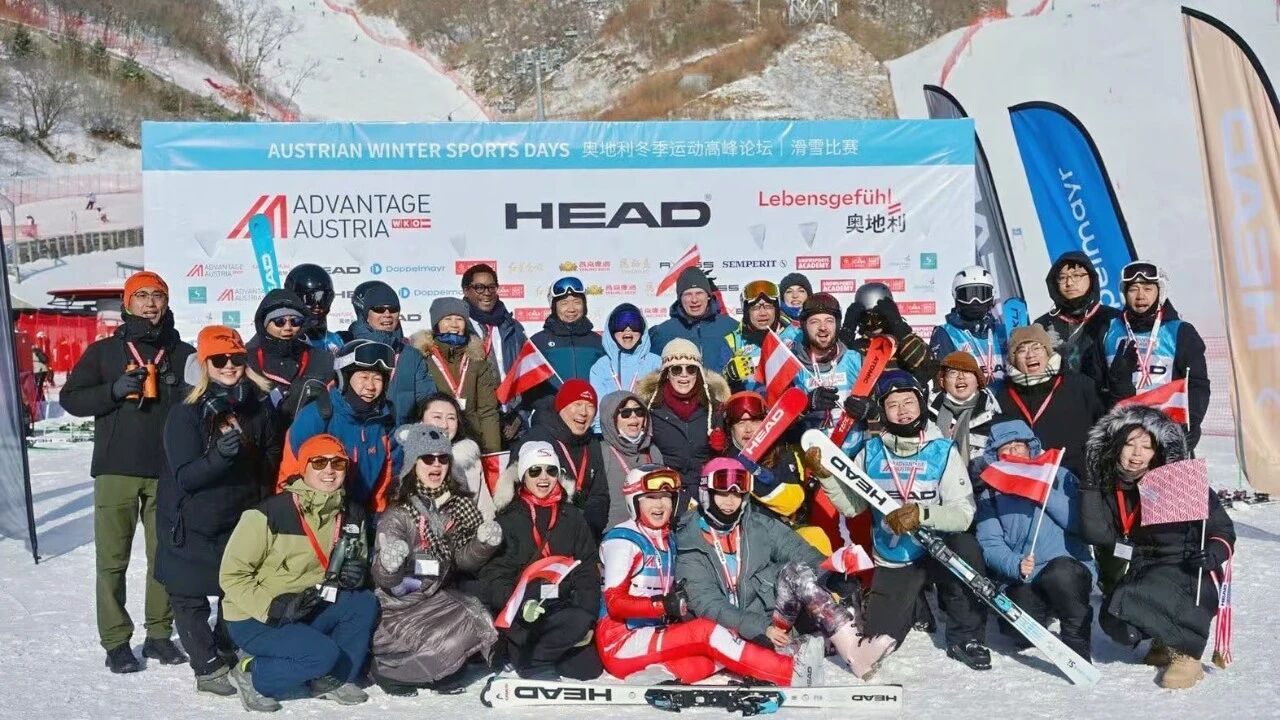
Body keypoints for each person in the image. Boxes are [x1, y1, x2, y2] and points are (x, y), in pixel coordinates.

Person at [812, 371, 991, 670]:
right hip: (895, 556)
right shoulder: (871, 452)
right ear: (883, 411)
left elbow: (963, 514)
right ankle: (914, 604)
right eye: (893, 404)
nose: (903, 410)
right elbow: (854, 507)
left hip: (938, 551)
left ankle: (966, 637)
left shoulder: (942, 450)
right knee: (879, 639)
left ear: (921, 403)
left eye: (909, 401)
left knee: (966, 547)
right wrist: (826, 477)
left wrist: (922, 514)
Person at [60, 270, 193, 673]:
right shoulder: (104, 352)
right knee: (112, 561)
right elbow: (71, 399)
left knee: (163, 558)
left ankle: (158, 635)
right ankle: (116, 641)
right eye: (142, 295)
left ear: (166, 302)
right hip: (116, 470)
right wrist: (112, 391)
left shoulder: (183, 353)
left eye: (158, 295)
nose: (150, 303)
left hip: (167, 472)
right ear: (127, 303)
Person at [675, 458, 894, 681]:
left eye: (737, 494)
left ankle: (853, 647)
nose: (730, 501)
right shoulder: (690, 542)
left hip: (770, 621)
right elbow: (708, 604)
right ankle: (797, 652)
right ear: (706, 494)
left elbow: (797, 550)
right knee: (783, 649)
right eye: (723, 493)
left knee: (795, 571)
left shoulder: (756, 524)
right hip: (730, 630)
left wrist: (831, 575)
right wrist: (761, 628)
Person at [598, 464, 818, 685]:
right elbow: (614, 603)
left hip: (655, 634)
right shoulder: (623, 540)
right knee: (707, 632)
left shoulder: (667, 538)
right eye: (651, 498)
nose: (660, 505)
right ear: (634, 500)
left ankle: (662, 674)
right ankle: (789, 672)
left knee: (724, 646)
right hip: (620, 641)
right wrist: (663, 605)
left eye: (666, 497)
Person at [157, 326, 282, 696]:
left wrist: (263, 498)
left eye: (236, 358)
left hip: (239, 515)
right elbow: (185, 476)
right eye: (219, 359)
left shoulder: (257, 406)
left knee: (236, 588)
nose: (229, 365)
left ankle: (225, 647)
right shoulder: (185, 412)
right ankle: (206, 665)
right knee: (189, 594)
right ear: (204, 364)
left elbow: (271, 455)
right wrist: (219, 457)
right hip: (190, 518)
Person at [1078, 404, 1234, 689]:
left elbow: (1222, 529)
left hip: (1190, 568)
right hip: (1144, 566)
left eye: (1146, 447)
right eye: (1129, 444)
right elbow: (1097, 534)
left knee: (1162, 589)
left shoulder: (1182, 481)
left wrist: (1215, 552)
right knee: (1116, 621)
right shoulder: (1110, 485)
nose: (1136, 454)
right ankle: (1163, 638)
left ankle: (1186, 653)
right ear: (1117, 445)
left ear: (1158, 451)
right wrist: (1089, 485)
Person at [220, 434, 378, 711]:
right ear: (304, 467)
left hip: (308, 605)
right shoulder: (269, 514)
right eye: (319, 462)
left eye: (338, 463)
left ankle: (332, 679)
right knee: (321, 654)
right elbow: (231, 576)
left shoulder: (352, 514)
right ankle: (251, 673)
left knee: (363, 602)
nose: (329, 470)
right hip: (257, 615)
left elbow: (357, 561)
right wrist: (272, 607)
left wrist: (356, 575)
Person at [369, 424, 503, 696]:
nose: (436, 465)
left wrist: (483, 544)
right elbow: (382, 577)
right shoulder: (399, 513)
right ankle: (388, 671)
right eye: (427, 458)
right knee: (448, 646)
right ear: (413, 465)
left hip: (432, 598)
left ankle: (436, 669)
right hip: (398, 607)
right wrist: (389, 564)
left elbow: (461, 560)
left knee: (477, 617)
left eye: (443, 458)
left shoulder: (453, 507)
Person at [478, 441, 603, 681]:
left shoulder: (572, 516)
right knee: (563, 634)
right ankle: (530, 657)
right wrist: (520, 604)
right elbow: (494, 576)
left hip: (562, 606)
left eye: (551, 470)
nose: (543, 478)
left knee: (588, 668)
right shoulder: (509, 519)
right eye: (535, 471)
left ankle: (541, 653)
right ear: (523, 476)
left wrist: (586, 610)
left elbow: (587, 567)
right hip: (525, 613)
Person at [972, 420, 1095, 661]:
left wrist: (1044, 494)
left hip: (1067, 568)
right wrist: (1015, 564)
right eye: (1006, 448)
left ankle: (1076, 637)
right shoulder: (991, 492)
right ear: (996, 455)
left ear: (1030, 447)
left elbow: (1080, 524)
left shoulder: (1060, 476)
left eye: (1019, 445)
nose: (1014, 452)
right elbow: (990, 543)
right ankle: (1044, 610)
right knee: (1018, 632)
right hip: (1026, 575)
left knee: (1061, 575)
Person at [1098, 261, 1210, 451]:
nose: (1140, 296)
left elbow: (1197, 385)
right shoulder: (1109, 331)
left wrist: (1189, 426)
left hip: (1167, 436)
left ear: (1160, 292)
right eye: (1133, 289)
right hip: (1122, 438)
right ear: (1124, 293)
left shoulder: (1181, 332)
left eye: (1148, 289)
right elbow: (1096, 384)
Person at [282, 340, 398, 513]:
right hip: (317, 513)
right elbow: (290, 472)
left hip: (360, 514)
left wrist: (378, 513)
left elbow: (384, 474)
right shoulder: (318, 414)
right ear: (345, 378)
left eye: (377, 378)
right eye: (364, 377)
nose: (371, 386)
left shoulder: (380, 419)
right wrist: (291, 515)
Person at [721, 391, 829, 555]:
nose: (748, 429)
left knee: (815, 537)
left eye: (755, 421)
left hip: (778, 533)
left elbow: (792, 502)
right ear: (731, 428)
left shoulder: (780, 452)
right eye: (741, 423)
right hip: (739, 539)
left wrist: (754, 475)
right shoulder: (721, 459)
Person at [998, 324, 1104, 480]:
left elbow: (1104, 427)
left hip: (1076, 480)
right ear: (1013, 359)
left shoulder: (1080, 386)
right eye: (1022, 350)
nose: (1030, 355)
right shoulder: (1003, 395)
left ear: (1048, 352)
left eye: (1037, 348)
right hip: (1025, 481)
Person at [636, 338, 731, 505]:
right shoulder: (651, 409)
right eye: (676, 369)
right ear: (666, 373)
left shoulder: (714, 408)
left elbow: (729, 455)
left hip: (705, 491)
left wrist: (723, 446)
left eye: (691, 369)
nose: (684, 375)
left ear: (698, 372)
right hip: (667, 491)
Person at [513, 379, 610, 537]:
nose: (584, 412)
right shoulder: (536, 440)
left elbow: (599, 495)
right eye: (577, 404)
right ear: (561, 406)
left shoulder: (592, 443)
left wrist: (589, 528)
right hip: (543, 533)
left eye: (590, 406)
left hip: (586, 533)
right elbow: (520, 495)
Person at [340, 280, 436, 425]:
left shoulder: (411, 355)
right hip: (359, 432)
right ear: (366, 315)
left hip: (400, 434)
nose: (387, 314)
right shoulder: (348, 348)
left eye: (393, 309)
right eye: (379, 309)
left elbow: (427, 400)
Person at [411, 297, 501, 452]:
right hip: (431, 442)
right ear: (436, 324)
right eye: (447, 319)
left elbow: (488, 411)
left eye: (459, 319)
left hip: (471, 442)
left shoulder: (477, 359)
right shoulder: (422, 357)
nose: (454, 324)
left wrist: (492, 453)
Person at [789, 293, 867, 452]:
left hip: (855, 457)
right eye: (814, 322)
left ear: (837, 325)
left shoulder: (856, 360)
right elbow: (778, 420)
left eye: (829, 321)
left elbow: (884, 407)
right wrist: (806, 404)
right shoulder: (791, 365)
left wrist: (869, 409)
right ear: (804, 326)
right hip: (809, 456)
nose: (823, 327)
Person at [462, 263, 528, 444]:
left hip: (513, 422)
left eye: (491, 287)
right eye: (479, 287)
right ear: (466, 290)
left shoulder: (513, 327)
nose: (487, 293)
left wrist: (520, 416)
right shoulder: (459, 328)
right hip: (475, 423)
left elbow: (526, 377)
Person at [245, 289, 335, 418]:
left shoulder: (323, 360)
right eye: (279, 322)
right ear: (265, 325)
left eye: (295, 321)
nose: (288, 327)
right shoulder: (247, 360)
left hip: (308, 429)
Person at [1033, 251, 1120, 379]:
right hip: (1060, 391)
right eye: (1062, 277)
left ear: (1091, 278)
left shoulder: (1112, 318)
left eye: (1077, 275)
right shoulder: (1042, 325)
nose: (1069, 283)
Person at [840, 282, 937, 388]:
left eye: (878, 318)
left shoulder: (904, 343)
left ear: (889, 314)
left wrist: (898, 326)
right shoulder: (855, 348)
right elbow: (837, 370)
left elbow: (924, 364)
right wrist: (847, 330)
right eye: (866, 319)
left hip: (902, 396)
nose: (872, 324)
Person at [588, 303, 661, 432]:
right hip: (611, 434)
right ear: (611, 330)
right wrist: (602, 435)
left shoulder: (656, 363)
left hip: (648, 434)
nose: (628, 329)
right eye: (620, 324)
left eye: (634, 324)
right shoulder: (601, 366)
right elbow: (599, 410)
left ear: (642, 329)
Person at [929, 266, 1008, 384]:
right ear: (956, 296)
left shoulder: (1003, 331)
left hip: (1006, 395)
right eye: (967, 295)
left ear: (992, 296)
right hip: (970, 396)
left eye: (982, 294)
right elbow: (942, 379)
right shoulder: (947, 333)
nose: (975, 301)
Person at [420, 392, 492, 520]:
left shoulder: (468, 457)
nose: (444, 425)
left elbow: (484, 508)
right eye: (437, 417)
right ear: (422, 421)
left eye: (451, 418)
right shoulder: (411, 459)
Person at [599, 390, 664, 530]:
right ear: (611, 418)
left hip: (650, 532)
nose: (634, 417)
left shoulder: (653, 451)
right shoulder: (603, 452)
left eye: (639, 412)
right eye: (625, 413)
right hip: (615, 534)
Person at [722, 280, 801, 393]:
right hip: (751, 402)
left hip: (789, 401)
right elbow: (715, 383)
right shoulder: (734, 341)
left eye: (768, 306)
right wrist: (727, 375)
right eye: (755, 307)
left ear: (776, 310)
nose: (763, 313)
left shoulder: (796, 334)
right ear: (746, 312)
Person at [648, 266, 737, 363]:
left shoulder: (731, 327)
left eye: (699, 293)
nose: (694, 300)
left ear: (708, 296)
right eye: (688, 294)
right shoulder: (662, 332)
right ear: (680, 298)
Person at [928, 351, 1001, 466]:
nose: (960, 377)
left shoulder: (994, 414)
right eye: (953, 373)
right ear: (942, 382)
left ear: (978, 380)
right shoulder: (928, 414)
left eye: (967, 371)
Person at [284, 263, 344, 354]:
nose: (317, 306)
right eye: (309, 299)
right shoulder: (286, 342)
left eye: (323, 298)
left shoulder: (335, 340)